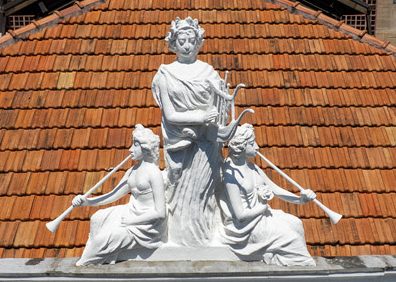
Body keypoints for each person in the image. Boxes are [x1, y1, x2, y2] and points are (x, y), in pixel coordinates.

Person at [151, 17, 238, 246]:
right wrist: (200, 117)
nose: (187, 45)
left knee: (204, 194)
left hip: (206, 146)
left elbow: (221, 107)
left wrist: (223, 107)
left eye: (191, 40)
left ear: (198, 42)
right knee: (181, 194)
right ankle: (182, 240)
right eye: (182, 41)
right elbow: (170, 115)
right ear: (173, 43)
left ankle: (205, 239)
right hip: (180, 146)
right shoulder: (164, 75)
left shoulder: (208, 72)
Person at [219, 124, 316, 266]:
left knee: (296, 223)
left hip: (262, 217)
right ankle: (303, 270)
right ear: (241, 147)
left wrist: (301, 199)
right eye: (252, 143)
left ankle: (281, 258)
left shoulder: (253, 168)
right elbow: (240, 216)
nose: (257, 147)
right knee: (292, 238)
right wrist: (263, 207)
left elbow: (275, 190)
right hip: (246, 227)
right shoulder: (231, 177)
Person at [73, 125, 166, 265]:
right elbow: (114, 194)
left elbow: (160, 213)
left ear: (145, 147)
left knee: (102, 240)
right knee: (97, 218)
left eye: (135, 145)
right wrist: (87, 202)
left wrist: (132, 221)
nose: (130, 149)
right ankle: (103, 256)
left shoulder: (154, 173)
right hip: (130, 211)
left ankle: (86, 263)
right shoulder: (132, 171)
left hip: (146, 223)